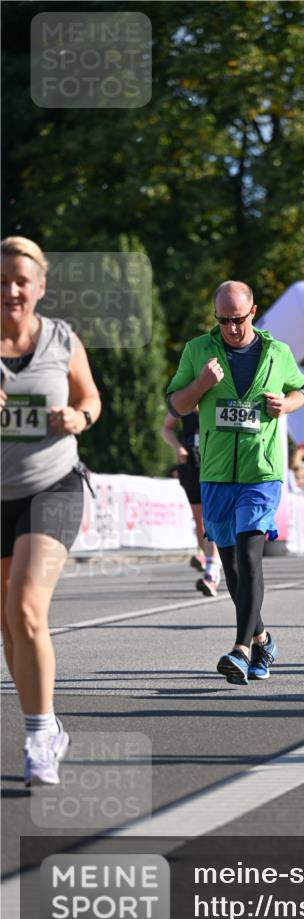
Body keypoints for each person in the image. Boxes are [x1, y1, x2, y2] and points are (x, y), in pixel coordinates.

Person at [166, 280, 304, 684]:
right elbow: (177, 404)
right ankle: (263, 639)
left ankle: (241, 650)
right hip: (214, 474)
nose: (231, 328)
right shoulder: (198, 350)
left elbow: (302, 390)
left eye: (238, 319)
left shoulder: (277, 353)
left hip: (260, 472)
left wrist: (286, 404)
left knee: (249, 557)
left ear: (253, 312)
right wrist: (201, 386)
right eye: (223, 320)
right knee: (230, 568)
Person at [1, 236, 101, 786]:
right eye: (1, 281)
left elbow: (91, 398)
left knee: (27, 609)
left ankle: (40, 738)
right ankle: (49, 725)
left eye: (21, 280)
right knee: (10, 629)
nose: (12, 290)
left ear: (39, 287)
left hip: (54, 487)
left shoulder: (62, 338)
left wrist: (78, 418)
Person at [161, 408, 222, 596]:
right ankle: (208, 558)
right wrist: (178, 447)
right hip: (191, 465)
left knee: (212, 517)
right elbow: (166, 428)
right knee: (200, 520)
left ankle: (213, 571)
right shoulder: (186, 399)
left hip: (215, 465)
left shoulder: (220, 395)